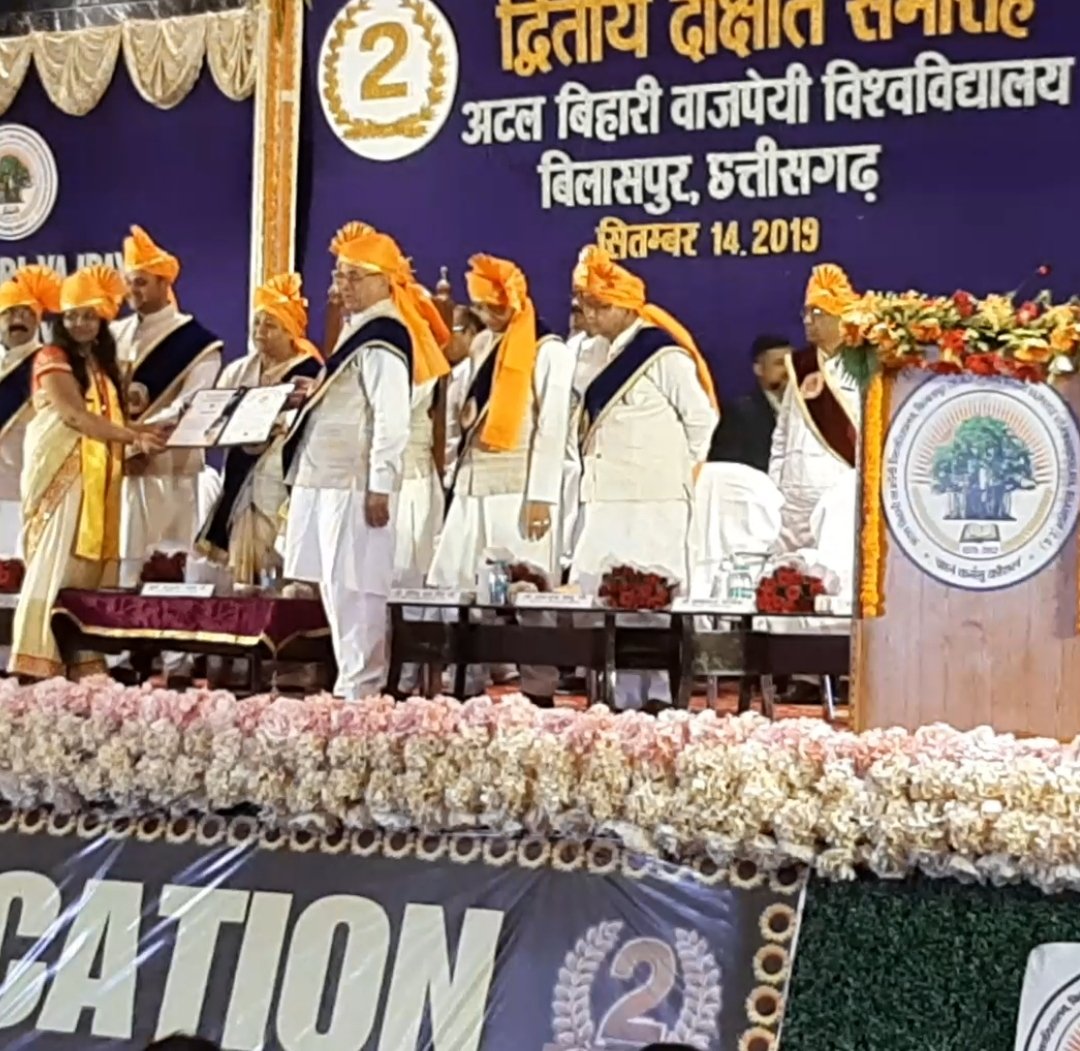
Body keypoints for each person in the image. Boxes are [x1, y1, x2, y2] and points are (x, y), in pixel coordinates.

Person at [572, 246, 719, 711]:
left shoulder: (662, 355)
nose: (589, 315)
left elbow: (702, 420)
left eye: (599, 306)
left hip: (655, 498)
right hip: (605, 495)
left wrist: (675, 472)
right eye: (585, 305)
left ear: (624, 307)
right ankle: (616, 695)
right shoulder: (588, 354)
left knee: (653, 596)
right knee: (605, 592)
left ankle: (657, 696)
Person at [428, 254, 574, 705]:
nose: (487, 315)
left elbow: (553, 427)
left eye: (493, 306)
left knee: (529, 592)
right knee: (457, 584)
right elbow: (462, 414)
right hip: (473, 484)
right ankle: (464, 679)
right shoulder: (481, 346)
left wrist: (542, 496)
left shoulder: (549, 350)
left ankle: (539, 686)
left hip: (520, 488)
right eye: (480, 307)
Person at [8, 266, 165, 680]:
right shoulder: (51, 357)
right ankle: (36, 662)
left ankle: (81, 663)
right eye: (72, 316)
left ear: (102, 320)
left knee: (85, 570)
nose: (79, 323)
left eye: (88, 316)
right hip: (62, 473)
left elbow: (111, 420)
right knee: (56, 562)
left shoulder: (100, 363)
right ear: (61, 320)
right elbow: (75, 416)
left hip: (98, 476)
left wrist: (145, 432)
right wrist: (133, 436)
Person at [281, 222, 415, 700]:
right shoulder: (356, 329)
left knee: (357, 587)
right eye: (340, 275)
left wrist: (381, 484)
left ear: (384, 280)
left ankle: (363, 688)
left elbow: (391, 418)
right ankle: (349, 682)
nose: (343, 286)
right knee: (333, 586)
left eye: (355, 276)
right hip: (324, 478)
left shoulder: (385, 334)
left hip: (354, 483)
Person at [112, 225, 223, 587]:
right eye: (129, 282)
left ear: (164, 283)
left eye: (142, 282)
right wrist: (127, 443)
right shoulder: (113, 335)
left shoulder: (198, 344)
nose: (133, 290)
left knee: (170, 566)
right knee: (123, 569)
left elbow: (190, 403)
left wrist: (137, 440)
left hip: (173, 469)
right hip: (121, 468)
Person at [196, 273, 321, 585]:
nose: (260, 332)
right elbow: (215, 416)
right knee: (241, 549)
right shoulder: (239, 369)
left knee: (278, 544)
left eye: (270, 325)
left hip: (282, 473)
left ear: (291, 331)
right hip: (241, 470)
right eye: (256, 323)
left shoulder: (310, 372)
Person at [769, 264, 861, 552]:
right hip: (792, 502)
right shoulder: (800, 366)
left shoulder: (864, 366)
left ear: (840, 316)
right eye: (806, 313)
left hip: (838, 495)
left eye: (817, 313)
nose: (808, 321)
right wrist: (775, 487)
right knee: (787, 572)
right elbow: (782, 434)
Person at [0, 265, 62, 559]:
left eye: (27, 313)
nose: (18, 319)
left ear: (38, 320)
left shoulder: (50, 363)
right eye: (10, 312)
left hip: (27, 484)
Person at [708, 334, 792, 472]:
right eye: (779, 363)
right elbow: (726, 466)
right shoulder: (741, 414)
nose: (789, 370)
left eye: (792, 363)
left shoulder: (808, 409)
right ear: (759, 369)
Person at [443, 303, 484, 488]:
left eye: (451, 331)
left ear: (471, 333)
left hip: (457, 478)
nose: (444, 337)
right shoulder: (449, 374)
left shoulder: (470, 374)